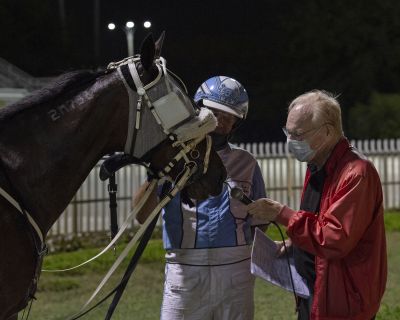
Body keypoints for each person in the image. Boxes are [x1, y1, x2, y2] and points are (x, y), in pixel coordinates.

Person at [133, 76, 268, 320]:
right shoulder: (172, 159)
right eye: (214, 113)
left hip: (235, 269)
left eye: (228, 118)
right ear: (199, 110)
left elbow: (261, 222)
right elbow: (142, 216)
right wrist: (157, 174)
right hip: (184, 269)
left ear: (236, 124)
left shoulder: (247, 163)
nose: (220, 123)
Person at [247, 90, 387, 320]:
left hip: (343, 302)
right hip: (316, 291)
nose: (290, 142)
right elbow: (319, 220)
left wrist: (281, 214)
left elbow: (334, 238)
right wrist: (298, 242)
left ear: (328, 132)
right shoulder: (317, 163)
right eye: (288, 132)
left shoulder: (356, 173)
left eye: (298, 134)